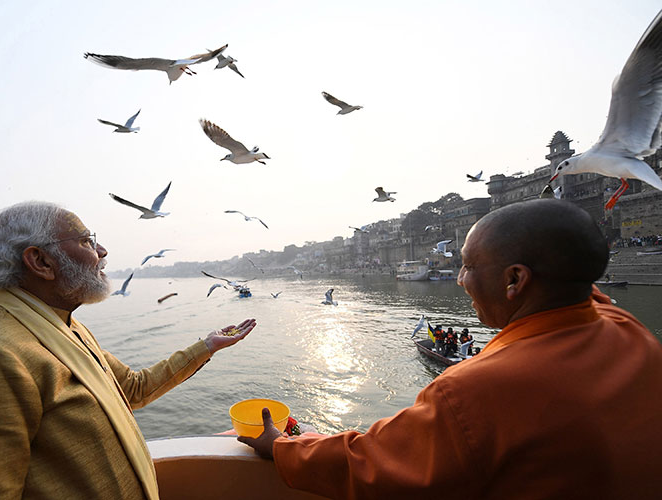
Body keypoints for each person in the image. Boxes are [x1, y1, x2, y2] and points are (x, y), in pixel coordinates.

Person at [239, 199, 662, 499]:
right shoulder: (630, 330)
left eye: (468, 265)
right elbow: (586, 290)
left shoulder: (471, 390)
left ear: (515, 280)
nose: (460, 279)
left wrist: (282, 446)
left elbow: (371, 466)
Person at [0, 202, 256, 499]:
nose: (102, 252)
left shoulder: (63, 327)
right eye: (85, 241)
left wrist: (206, 346)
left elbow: (133, 389)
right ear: (41, 262)